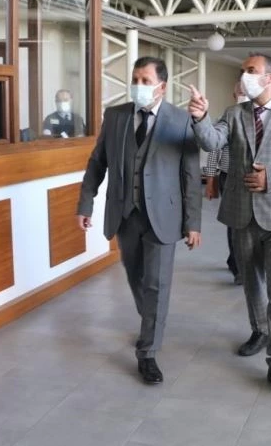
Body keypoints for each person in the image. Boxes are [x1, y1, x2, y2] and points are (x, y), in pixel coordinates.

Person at [187, 52, 271, 387]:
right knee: (252, 282)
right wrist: (200, 118)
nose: (245, 75)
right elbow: (212, 142)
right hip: (242, 213)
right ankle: (259, 330)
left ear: (269, 78)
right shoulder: (234, 113)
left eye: (251, 70)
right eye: (243, 70)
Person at [76, 56, 202, 384]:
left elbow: (191, 175)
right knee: (136, 277)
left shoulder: (180, 120)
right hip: (126, 214)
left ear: (162, 86)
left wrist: (193, 223)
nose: (138, 86)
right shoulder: (115, 116)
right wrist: (86, 203)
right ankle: (152, 322)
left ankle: (147, 352)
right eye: (135, 79)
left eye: (146, 80)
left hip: (164, 216)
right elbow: (97, 162)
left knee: (157, 283)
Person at [202, 81, 250, 285]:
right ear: (234, 95)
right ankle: (237, 267)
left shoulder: (261, 120)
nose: (244, 95)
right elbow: (214, 150)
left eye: (247, 92)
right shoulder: (227, 118)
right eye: (240, 92)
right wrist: (210, 180)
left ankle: (248, 263)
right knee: (234, 223)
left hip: (252, 178)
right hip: (228, 177)